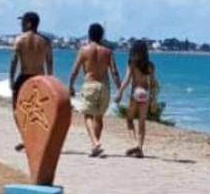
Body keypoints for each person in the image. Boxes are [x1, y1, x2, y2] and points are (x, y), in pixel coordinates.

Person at [68, 23, 121, 157]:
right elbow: (114, 72)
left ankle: (95, 143)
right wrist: (120, 89)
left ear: (89, 35)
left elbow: (75, 71)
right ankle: (95, 146)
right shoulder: (108, 52)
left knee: (87, 115)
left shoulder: (84, 50)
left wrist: (71, 86)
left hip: (90, 84)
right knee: (99, 117)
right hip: (104, 86)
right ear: (102, 36)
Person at [9, 11, 53, 151]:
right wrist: (49, 79)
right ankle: (33, 138)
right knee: (39, 111)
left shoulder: (20, 39)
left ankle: (26, 138)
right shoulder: (45, 41)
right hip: (40, 78)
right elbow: (50, 62)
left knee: (17, 110)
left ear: (29, 23)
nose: (21, 24)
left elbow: (14, 60)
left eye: (22, 22)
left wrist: (11, 78)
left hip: (24, 77)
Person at [114, 40, 158, 158]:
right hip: (146, 94)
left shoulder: (132, 63)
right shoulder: (150, 66)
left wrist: (119, 92)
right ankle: (140, 147)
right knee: (142, 122)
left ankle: (135, 144)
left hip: (136, 93)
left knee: (129, 119)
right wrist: (154, 100)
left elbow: (127, 80)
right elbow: (153, 84)